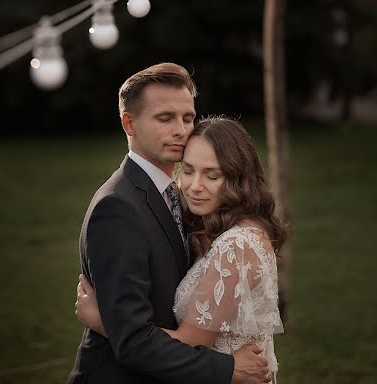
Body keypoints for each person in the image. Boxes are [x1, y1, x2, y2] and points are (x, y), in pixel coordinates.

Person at [67, 62, 273, 384]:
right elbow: (132, 340)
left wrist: (103, 320)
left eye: (188, 117)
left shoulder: (183, 198)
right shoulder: (118, 208)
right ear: (129, 123)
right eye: (165, 118)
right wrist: (230, 369)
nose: (181, 130)